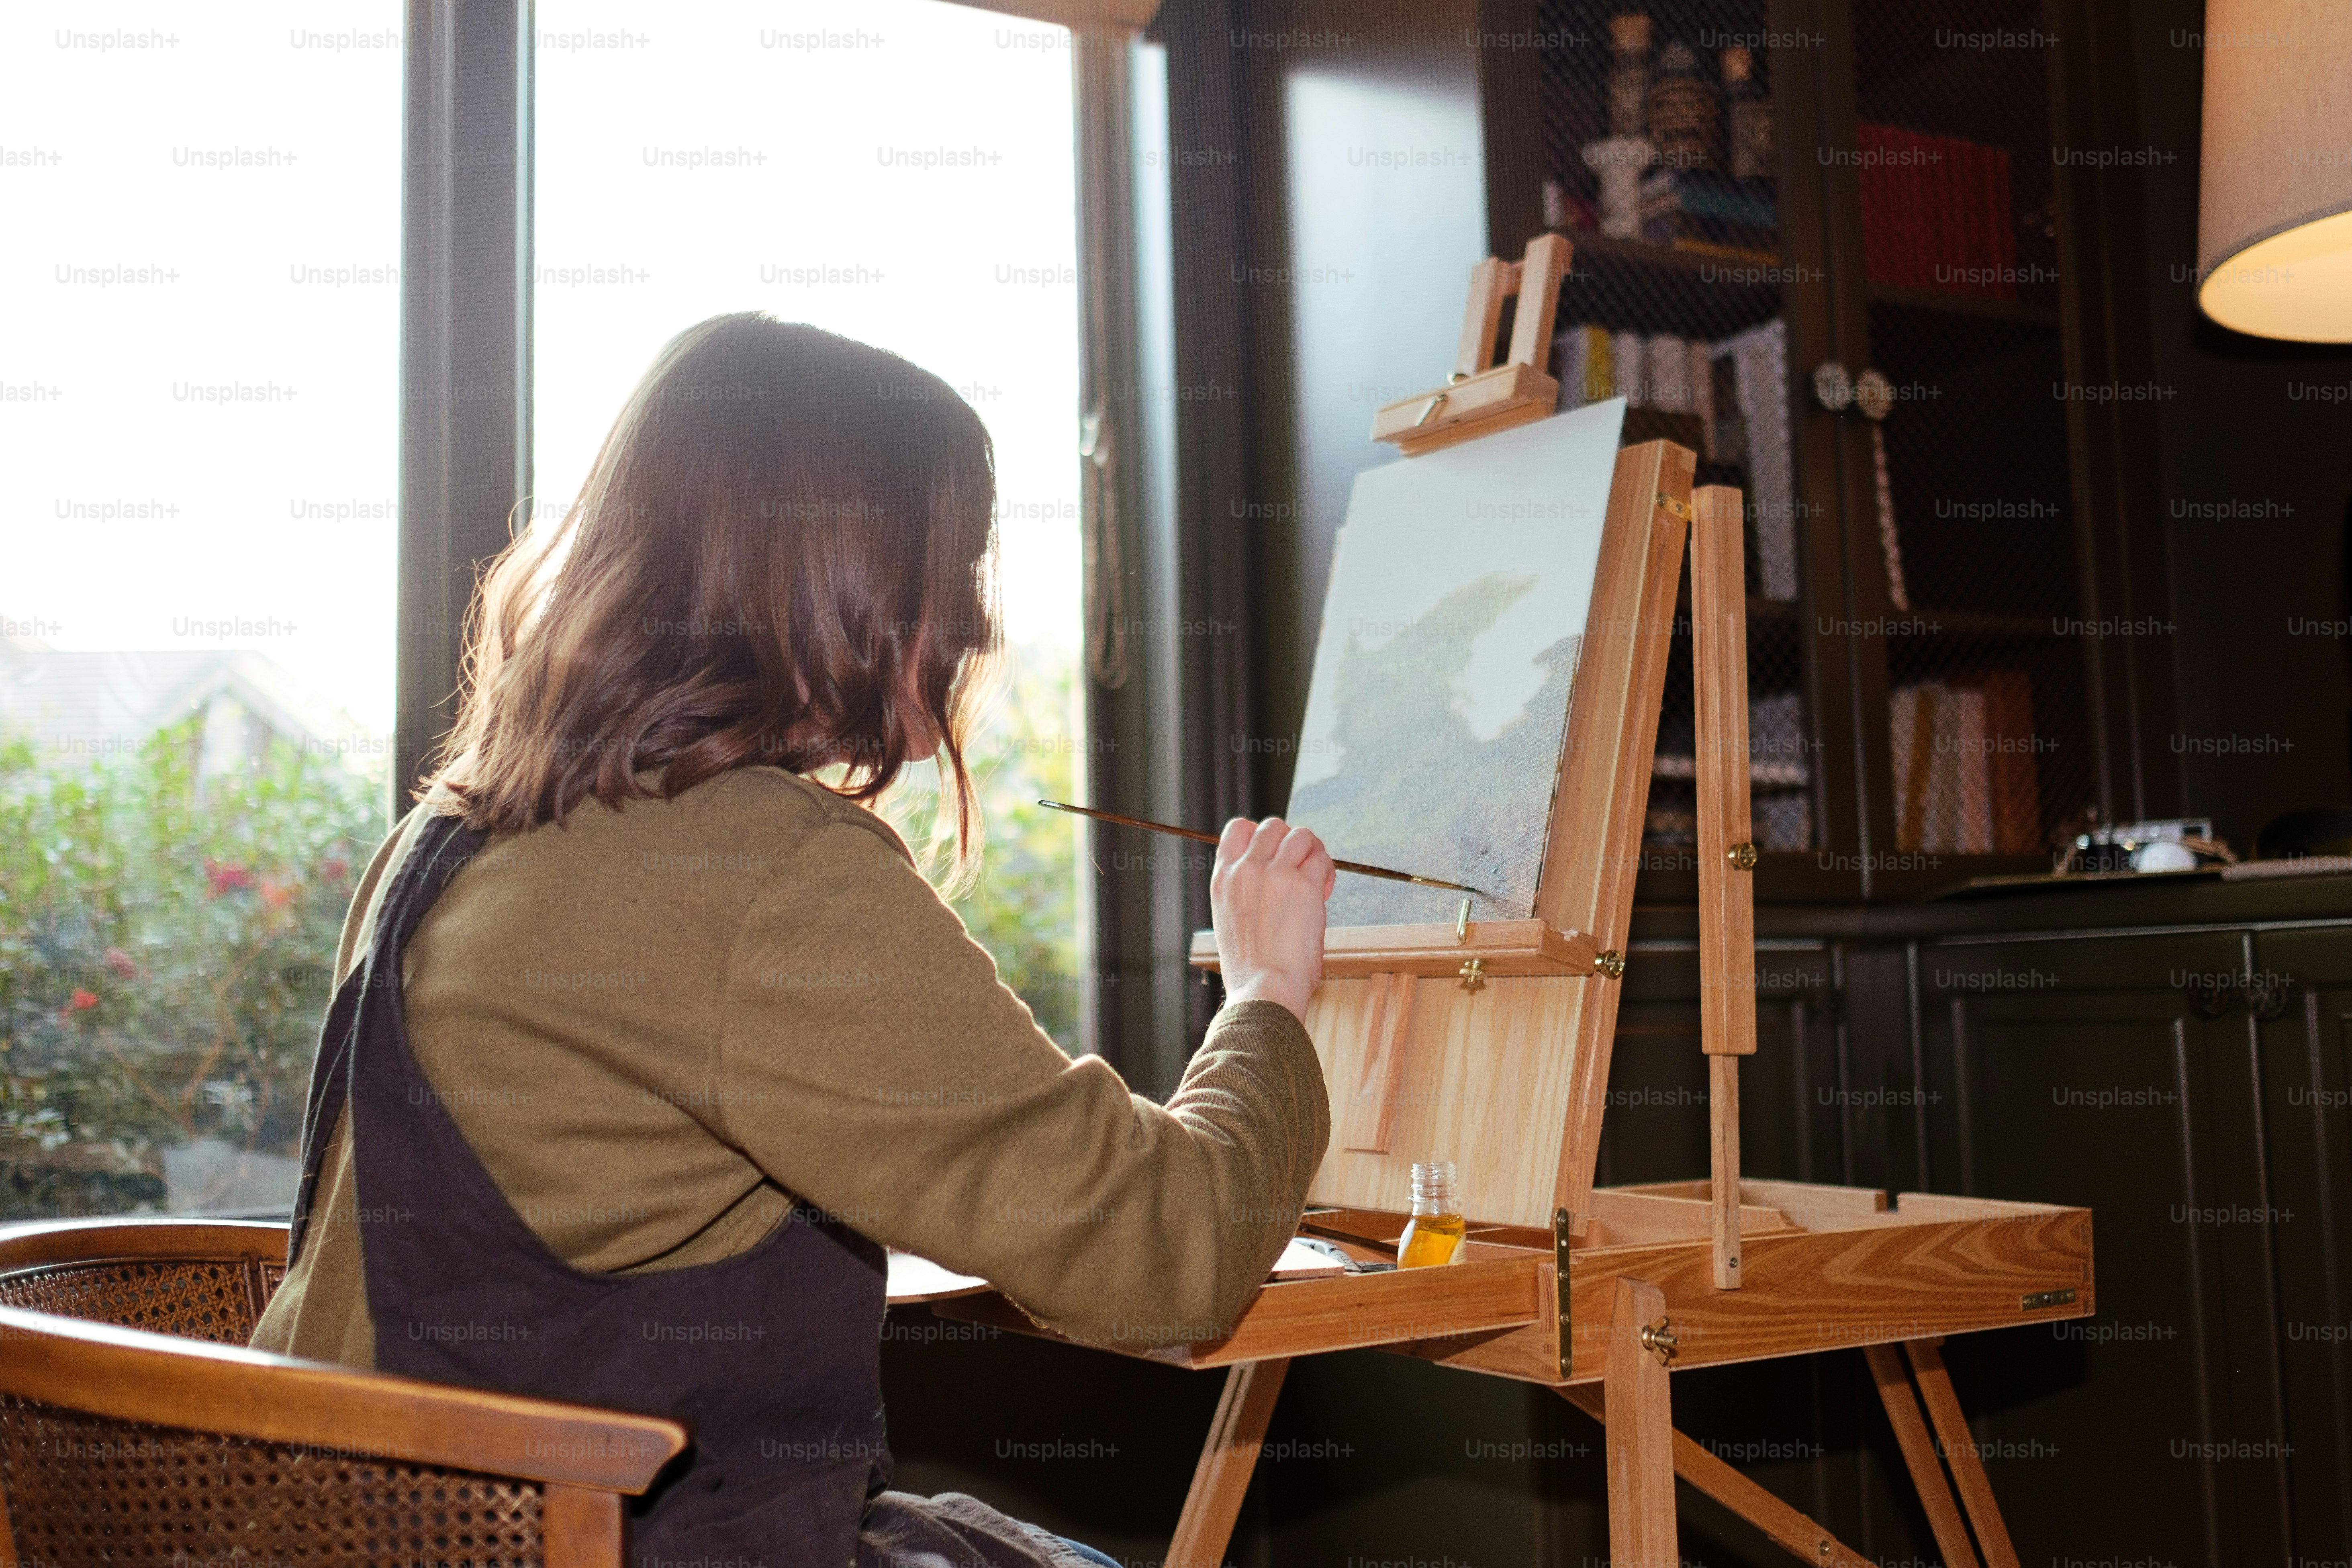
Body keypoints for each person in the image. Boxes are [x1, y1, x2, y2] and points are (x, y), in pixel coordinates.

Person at [251, 312, 1334, 1568]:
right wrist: (1266, 990)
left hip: (344, 1529)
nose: (975, 626)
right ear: (837, 575)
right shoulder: (761, 870)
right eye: (952, 568)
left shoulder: (447, 831)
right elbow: (1168, 1255)